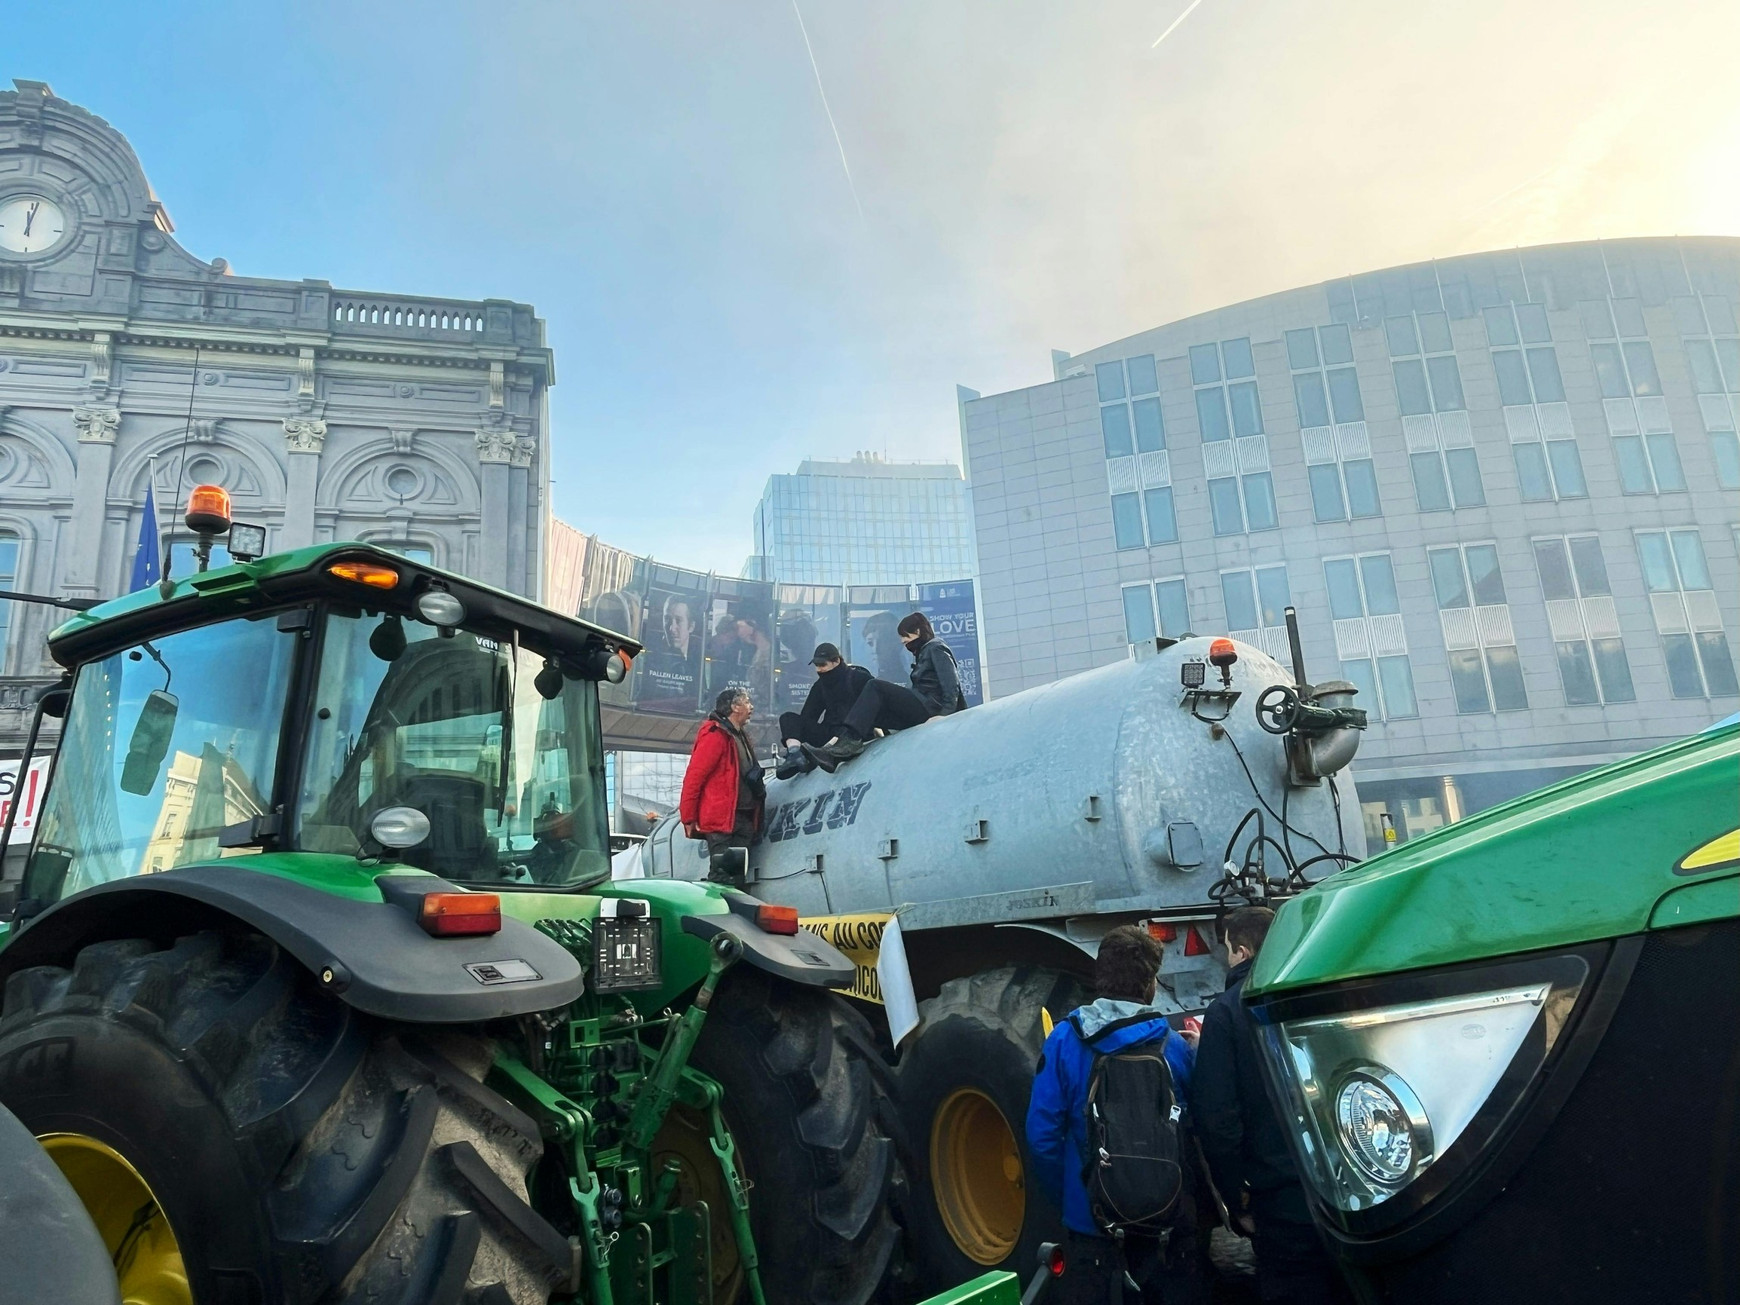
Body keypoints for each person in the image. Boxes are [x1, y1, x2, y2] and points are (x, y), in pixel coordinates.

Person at [1027, 925, 1204, 1305]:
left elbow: (1042, 1137)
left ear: (1100, 976)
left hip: (1091, 1223)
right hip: (1166, 1220)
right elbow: (1196, 1129)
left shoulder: (1063, 1041)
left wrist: (1074, 1196)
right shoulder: (1172, 1046)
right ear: (1150, 983)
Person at [1193, 907, 1350, 1305]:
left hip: (1281, 1201)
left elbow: (1218, 1121)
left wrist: (1235, 1199)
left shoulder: (1226, 1012)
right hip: (1346, 1185)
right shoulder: (1324, 994)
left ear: (1242, 953)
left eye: (1228, 950)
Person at [802, 612, 965, 772]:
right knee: (875, 710)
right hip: (923, 704)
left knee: (875, 686)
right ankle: (837, 753)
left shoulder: (935, 648)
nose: (903, 641)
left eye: (905, 636)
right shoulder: (923, 652)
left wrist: (945, 716)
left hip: (929, 707)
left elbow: (951, 684)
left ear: (918, 632)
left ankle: (848, 743)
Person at [678, 688, 765, 886]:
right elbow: (695, 777)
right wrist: (688, 817)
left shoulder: (739, 734)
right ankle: (716, 914)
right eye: (747, 702)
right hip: (722, 820)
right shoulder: (715, 735)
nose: (751, 707)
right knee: (721, 877)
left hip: (743, 817)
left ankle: (734, 912)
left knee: (737, 878)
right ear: (734, 707)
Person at [775, 643, 872, 778]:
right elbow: (808, 717)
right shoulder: (819, 686)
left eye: (823, 665)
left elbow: (873, 705)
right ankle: (795, 755)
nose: (819, 670)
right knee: (788, 718)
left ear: (836, 661)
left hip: (853, 735)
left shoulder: (859, 678)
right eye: (817, 666)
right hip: (828, 735)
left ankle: (807, 757)